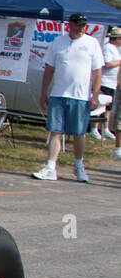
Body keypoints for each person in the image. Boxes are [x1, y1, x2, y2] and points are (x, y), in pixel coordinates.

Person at [35, 11, 101, 182]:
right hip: (58, 93)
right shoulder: (58, 42)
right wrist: (44, 92)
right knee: (55, 130)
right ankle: (50, 166)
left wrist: (95, 95)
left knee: (78, 133)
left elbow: (97, 72)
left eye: (84, 25)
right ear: (69, 25)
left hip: (80, 96)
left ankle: (78, 166)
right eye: (78, 24)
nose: (81, 28)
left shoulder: (92, 43)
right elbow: (49, 69)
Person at [97, 25, 120, 146]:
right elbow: (107, 64)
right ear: (116, 38)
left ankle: (105, 128)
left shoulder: (115, 49)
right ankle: (95, 129)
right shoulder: (108, 48)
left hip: (112, 83)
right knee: (101, 106)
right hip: (105, 82)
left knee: (108, 107)